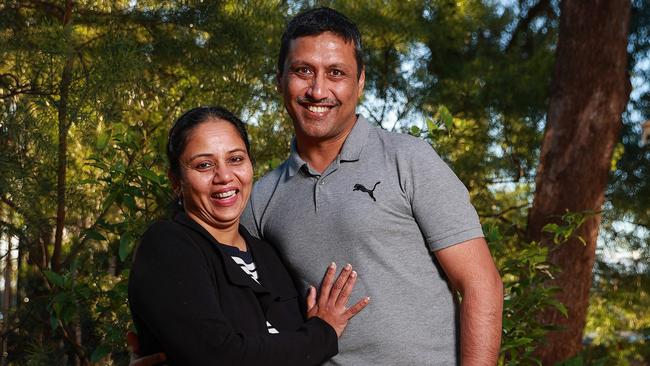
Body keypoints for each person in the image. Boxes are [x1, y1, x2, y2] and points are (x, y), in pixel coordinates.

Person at [241, 7, 504, 365]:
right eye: (303, 71)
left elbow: (481, 285)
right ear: (279, 79)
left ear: (360, 81)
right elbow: (234, 306)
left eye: (336, 73)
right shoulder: (260, 199)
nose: (318, 90)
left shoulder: (409, 159)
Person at [128, 106, 369, 365]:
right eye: (204, 165)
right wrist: (322, 333)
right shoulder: (167, 246)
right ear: (176, 181)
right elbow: (221, 357)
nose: (224, 176)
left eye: (235, 159)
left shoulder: (266, 253)